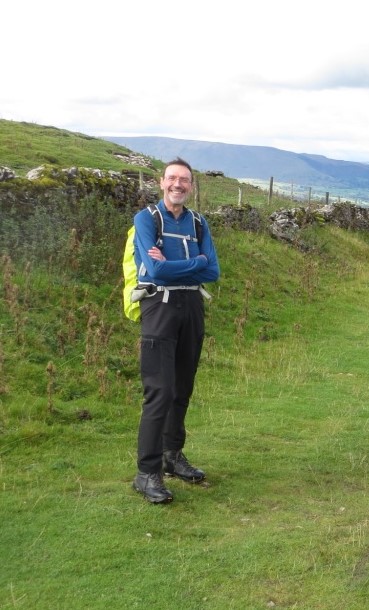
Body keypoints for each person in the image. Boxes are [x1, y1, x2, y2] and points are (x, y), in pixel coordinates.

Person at [131, 158, 220, 504]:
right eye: (172, 178)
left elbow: (212, 270)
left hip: (192, 308)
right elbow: (154, 270)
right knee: (160, 392)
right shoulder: (147, 219)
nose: (177, 185)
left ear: (192, 186)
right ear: (161, 182)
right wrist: (193, 263)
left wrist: (185, 266)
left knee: (182, 387)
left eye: (184, 180)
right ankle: (146, 473)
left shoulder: (198, 222)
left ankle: (172, 456)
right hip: (159, 308)